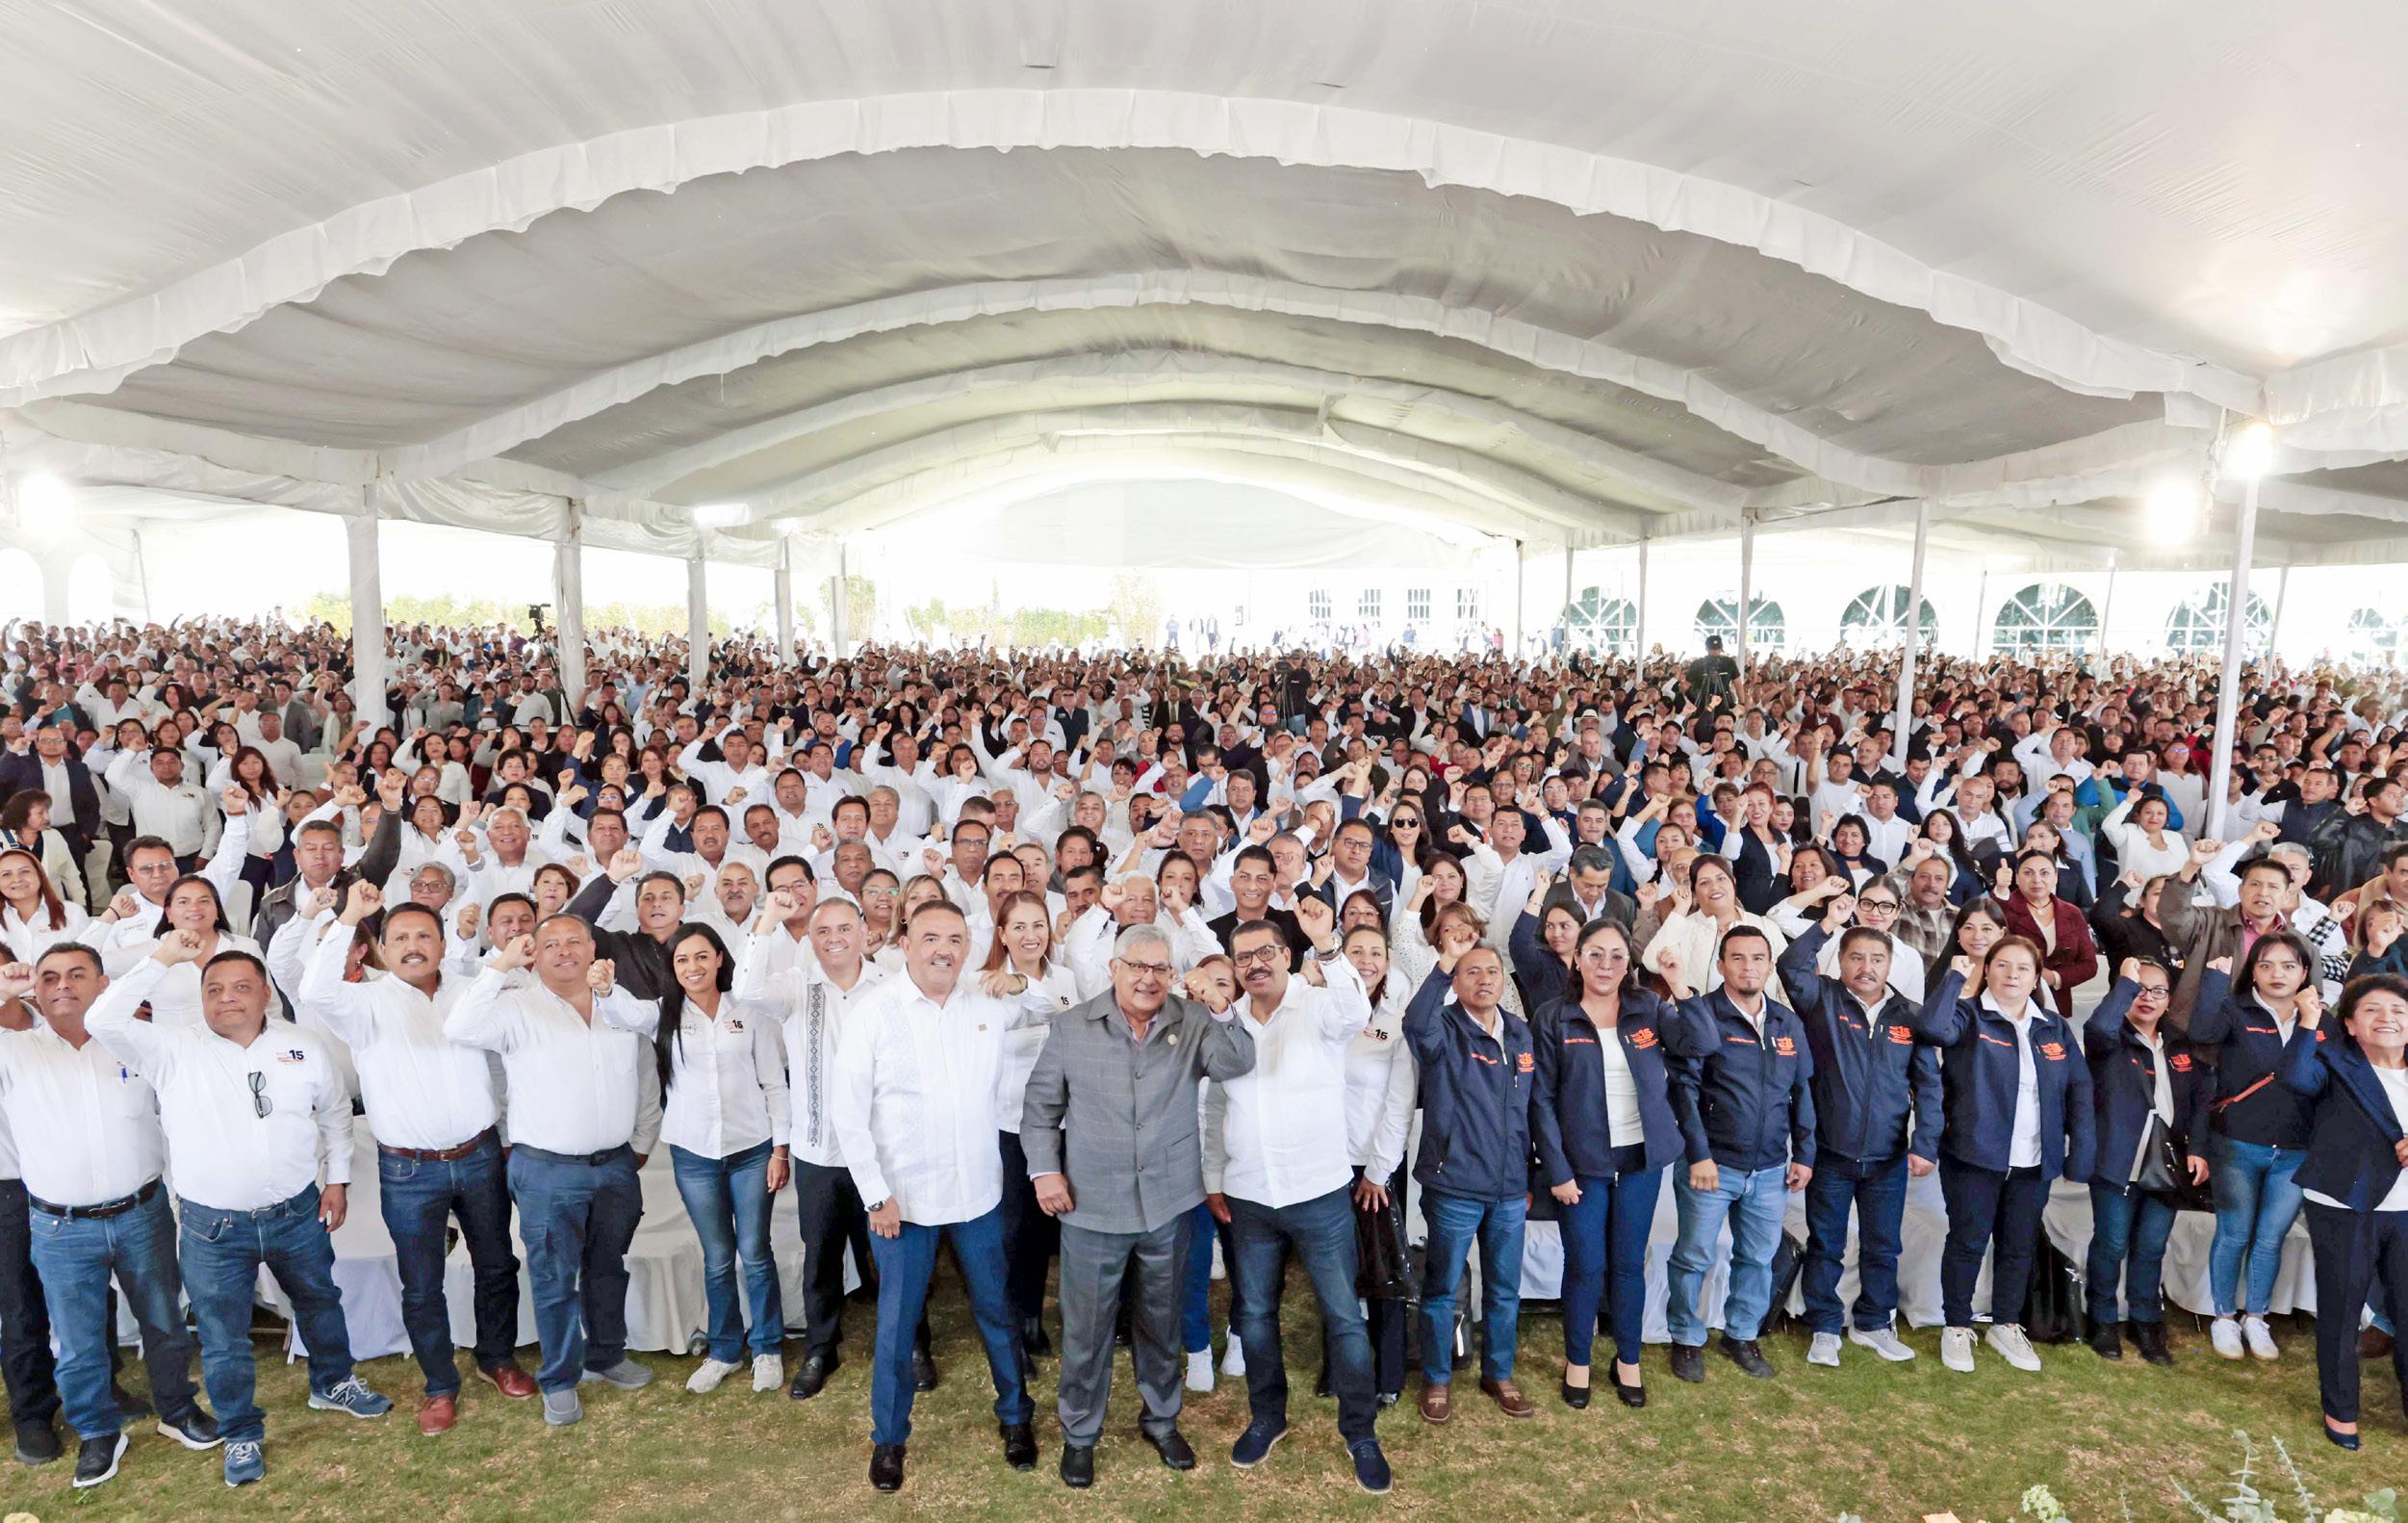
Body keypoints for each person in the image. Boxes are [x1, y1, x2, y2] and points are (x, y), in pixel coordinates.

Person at [85, 934, 391, 1488]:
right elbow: (103, 1019)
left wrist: (338, 1180)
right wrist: (163, 959)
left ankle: (333, 1382)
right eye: (214, 989)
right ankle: (241, 1430)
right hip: (214, 1227)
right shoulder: (170, 1048)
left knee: (320, 1300)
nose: (226, 997)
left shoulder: (301, 1045)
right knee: (224, 1335)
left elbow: (334, 1114)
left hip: (297, 1211)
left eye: (241, 987)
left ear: (266, 994)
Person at [832, 900, 1058, 1493]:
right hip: (902, 1202)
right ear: (905, 943)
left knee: (997, 1310)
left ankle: (1016, 1417)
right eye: (931, 938)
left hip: (977, 1193)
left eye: (956, 939)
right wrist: (875, 1194)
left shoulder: (987, 1000)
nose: (944, 950)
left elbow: (1057, 1007)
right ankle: (889, 1439)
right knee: (897, 1324)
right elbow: (848, 1113)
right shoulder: (874, 1011)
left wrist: (1021, 981)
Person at [1019, 920, 1253, 1489]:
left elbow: (1237, 1062)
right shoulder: (1072, 1027)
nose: (1149, 979)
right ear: (1114, 969)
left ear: (1173, 974)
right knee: (1086, 1330)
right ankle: (1080, 1434)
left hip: (1169, 1205)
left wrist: (1219, 1005)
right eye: (1138, 967)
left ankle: (1162, 1420)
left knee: (1161, 1322)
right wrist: (1045, 1172)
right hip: (1092, 1207)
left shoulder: (1191, 1019)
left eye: (1160, 969)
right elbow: (1041, 1108)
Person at [295, 883, 532, 1433]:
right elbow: (313, 988)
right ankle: (440, 1385)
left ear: (444, 945)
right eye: (399, 938)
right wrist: (350, 916)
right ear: (381, 949)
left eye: (423, 935)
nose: (412, 946)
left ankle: (496, 1358)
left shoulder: (472, 990)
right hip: (409, 1169)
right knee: (422, 1284)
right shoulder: (363, 1003)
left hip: (479, 1154)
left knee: (497, 1264)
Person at [0, 949, 217, 1489]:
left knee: (165, 1323)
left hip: (141, 1213)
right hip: (59, 1226)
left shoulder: (134, 1043)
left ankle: (178, 1410)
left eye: (77, 975)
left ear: (103, 985)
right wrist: (3, 991)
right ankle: (98, 1432)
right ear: (34, 991)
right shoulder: (14, 1050)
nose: (62, 986)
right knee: (77, 1342)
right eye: (49, 978)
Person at [1200, 899, 1390, 1493]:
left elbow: (1356, 1006)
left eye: (1266, 952)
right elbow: (1214, 1103)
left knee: (1343, 1317)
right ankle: (1267, 1417)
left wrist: (1327, 946)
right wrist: (1213, 1178)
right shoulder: (1226, 1020)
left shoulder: (1319, 1005)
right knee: (1254, 1314)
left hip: (1318, 1193)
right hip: (1249, 1196)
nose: (1255, 964)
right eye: (1243, 957)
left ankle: (1360, 1432)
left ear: (1286, 956)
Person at [444, 916, 661, 1427]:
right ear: (533, 955)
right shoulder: (515, 1007)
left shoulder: (618, 1004)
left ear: (593, 948)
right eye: (550, 944)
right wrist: (501, 965)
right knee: (554, 1278)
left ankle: (606, 1354)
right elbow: (458, 1027)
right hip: (547, 1170)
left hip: (614, 1165)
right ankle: (560, 1378)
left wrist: (638, 1144)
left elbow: (650, 1042)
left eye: (574, 942)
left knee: (608, 1267)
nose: (564, 951)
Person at [1913, 938, 2095, 1375]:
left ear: (2036, 978)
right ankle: (1957, 1325)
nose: (2012, 975)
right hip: (1974, 1157)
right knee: (1968, 1242)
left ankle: (2006, 1324)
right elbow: (1932, 1030)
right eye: (2002, 965)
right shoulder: (1968, 1015)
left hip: (2034, 1160)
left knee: (2018, 1245)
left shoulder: (2053, 1026)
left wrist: (2081, 1152)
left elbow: (2080, 1090)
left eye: (2023, 968)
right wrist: (1955, 979)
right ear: (1987, 970)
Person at [1775, 891, 1942, 1368]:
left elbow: (1929, 1086)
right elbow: (1790, 965)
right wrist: (1828, 924)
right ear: (1841, 961)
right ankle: (1825, 1326)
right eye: (1856, 958)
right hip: (1830, 1152)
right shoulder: (1821, 999)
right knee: (1827, 1245)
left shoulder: (1910, 1015)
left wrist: (1925, 1143)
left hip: (1888, 1158)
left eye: (1876, 959)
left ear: (1890, 964)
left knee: (1883, 1246)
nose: (1866, 967)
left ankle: (1873, 1323)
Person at [1529, 919, 1683, 1408]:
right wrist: (1557, 1169)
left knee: (1628, 1265)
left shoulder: (1649, 1008)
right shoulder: (1554, 1016)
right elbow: (1540, 1099)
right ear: (1577, 958)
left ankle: (1628, 1360)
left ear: (1628, 964)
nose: (1606, 965)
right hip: (1582, 1165)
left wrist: (1678, 986)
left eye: (1617, 955)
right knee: (1585, 1265)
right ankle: (1578, 1361)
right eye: (1595, 953)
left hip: (1640, 1159)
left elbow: (1699, 1042)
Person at [1657, 925, 1815, 1382]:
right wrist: (1699, 1154)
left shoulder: (1787, 1023)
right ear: (1721, 965)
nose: (1749, 967)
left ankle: (1741, 1334)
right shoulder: (1702, 1015)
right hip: (1712, 1165)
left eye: (1758, 958)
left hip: (1770, 1169)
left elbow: (1802, 1091)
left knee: (1758, 1259)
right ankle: (1686, 1338)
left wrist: (1804, 1154)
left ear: (1770, 965)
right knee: (1693, 1257)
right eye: (1738, 958)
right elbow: (1683, 1091)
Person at [756, 894, 896, 1401]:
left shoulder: (890, 986)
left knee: (892, 1255)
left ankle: (909, 1342)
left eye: (843, 928)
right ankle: (821, 1347)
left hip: (882, 1151)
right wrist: (769, 919)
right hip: (819, 1150)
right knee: (821, 1257)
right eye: (823, 931)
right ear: (810, 940)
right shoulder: (798, 986)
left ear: (863, 932)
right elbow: (746, 989)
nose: (834, 939)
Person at [1402, 923, 1536, 1422]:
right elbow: (1414, 1023)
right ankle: (1437, 1378)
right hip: (1454, 1185)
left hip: (1509, 1189)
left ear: (1503, 980)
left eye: (1492, 971)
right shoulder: (1442, 1027)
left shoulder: (1519, 1032)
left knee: (1504, 1289)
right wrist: (1443, 964)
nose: (1484, 980)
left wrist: (1528, 1176)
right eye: (1471, 972)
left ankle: (1499, 1373)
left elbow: (1531, 1109)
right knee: (1442, 1289)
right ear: (1456, 982)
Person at [652, 923, 789, 1395]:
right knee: (716, 1257)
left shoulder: (748, 1011)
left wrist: (780, 1149)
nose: (693, 967)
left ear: (718, 959)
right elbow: (616, 1010)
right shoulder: (663, 1014)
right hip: (694, 1156)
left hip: (752, 1150)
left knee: (755, 1252)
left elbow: (774, 1083)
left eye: (701, 956)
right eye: (682, 960)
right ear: (673, 968)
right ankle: (725, 1350)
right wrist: (605, 988)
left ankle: (767, 1348)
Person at [2277, 973, 2408, 1451]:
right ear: (2350, 1024)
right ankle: (2341, 1411)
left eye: (2398, 1010)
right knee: (2342, 1310)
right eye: (2372, 1009)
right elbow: (2294, 1078)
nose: (2387, 1018)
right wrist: (2309, 1021)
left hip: (2406, 1210)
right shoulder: (2334, 1062)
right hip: (2345, 1205)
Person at [2186, 933, 2322, 1360]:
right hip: (2238, 1145)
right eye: (2266, 965)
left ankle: (2256, 1317)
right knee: (2234, 1234)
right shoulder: (2235, 1009)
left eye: (2288, 966)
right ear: (2253, 971)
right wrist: (2214, 981)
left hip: (2296, 1150)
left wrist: (2309, 1021)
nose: (2277, 974)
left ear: (2304, 972)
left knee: (2270, 1239)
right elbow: (2200, 1031)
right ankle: (2224, 1317)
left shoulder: (2322, 1021)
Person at [2080, 958, 2211, 1366]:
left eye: (2158, 991)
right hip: (2117, 1160)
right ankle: (2102, 1318)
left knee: (2152, 1247)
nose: (2147, 998)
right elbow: (2099, 1027)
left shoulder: (2179, 1043)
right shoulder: (2108, 1038)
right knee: (2112, 1243)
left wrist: (2198, 1148)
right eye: (2139, 990)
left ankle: (2145, 1320)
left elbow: (2200, 1102)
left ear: (2169, 999)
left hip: (2167, 1164)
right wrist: (2124, 983)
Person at [983, 890, 1080, 1356]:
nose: (1030, 935)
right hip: (1008, 1122)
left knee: (1044, 1228)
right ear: (1002, 934)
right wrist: (1014, 985)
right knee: (1011, 1230)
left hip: (1062, 1121)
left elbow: (1067, 1018)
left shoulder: (1064, 978)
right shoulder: (984, 982)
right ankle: (1010, 1328)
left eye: (1038, 924)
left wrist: (1023, 985)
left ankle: (1031, 1319)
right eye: (1018, 926)